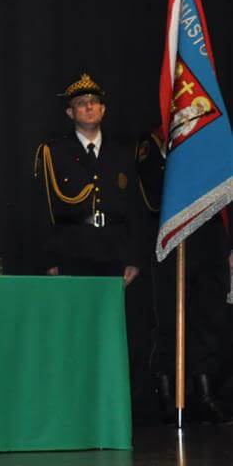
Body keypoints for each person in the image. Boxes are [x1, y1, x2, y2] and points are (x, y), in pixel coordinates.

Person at [33, 73, 150, 400]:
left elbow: (136, 208)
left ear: (103, 109)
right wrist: (50, 259)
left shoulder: (124, 152)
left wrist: (134, 257)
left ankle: (113, 399)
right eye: (81, 104)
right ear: (70, 112)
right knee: (73, 328)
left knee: (114, 330)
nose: (89, 107)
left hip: (114, 251)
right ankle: (73, 397)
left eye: (94, 102)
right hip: (72, 249)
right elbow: (41, 208)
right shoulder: (53, 152)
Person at [137, 128, 233, 425]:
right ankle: (168, 396)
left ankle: (204, 392)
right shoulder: (155, 141)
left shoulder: (212, 135)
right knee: (169, 318)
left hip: (211, 237)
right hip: (174, 236)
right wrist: (173, 153)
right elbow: (151, 194)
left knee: (209, 319)